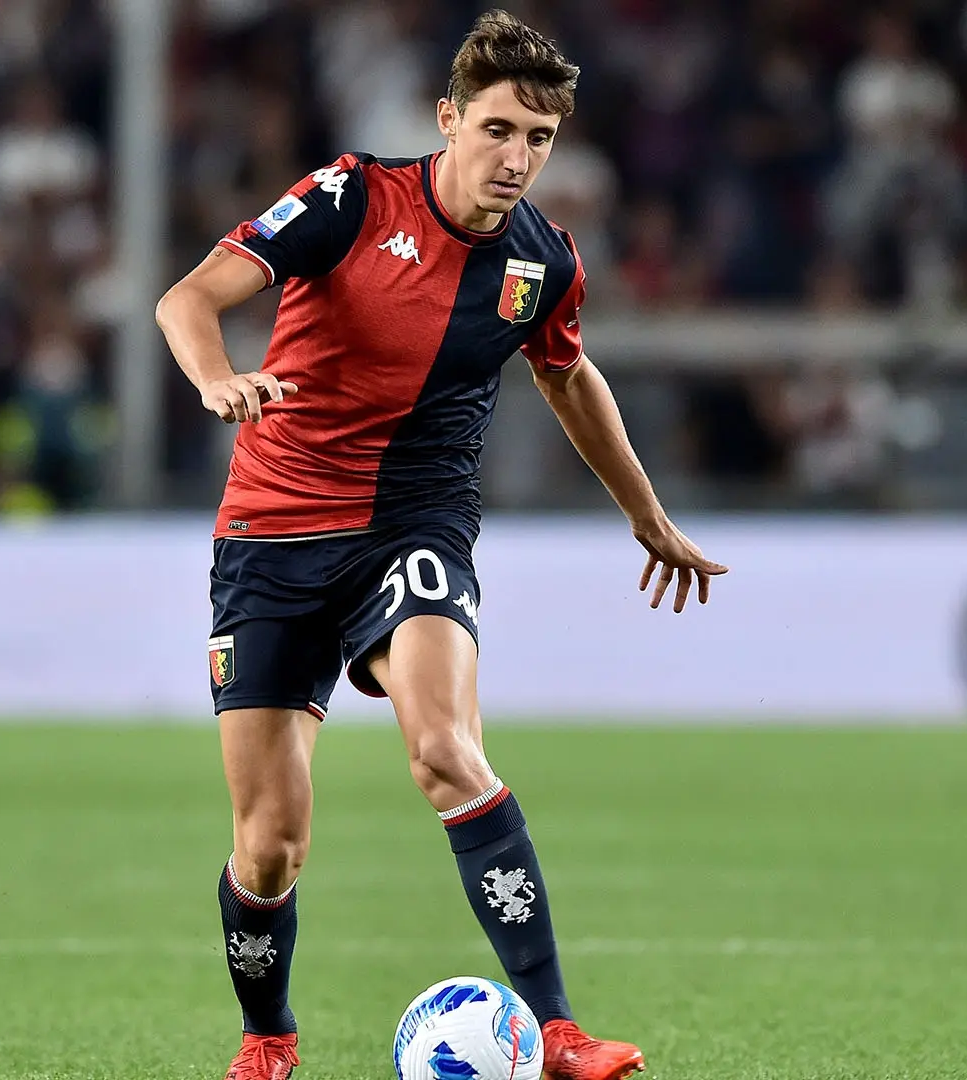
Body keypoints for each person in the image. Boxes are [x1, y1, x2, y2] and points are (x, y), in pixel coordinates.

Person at [154, 11, 724, 1079]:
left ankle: (558, 1032)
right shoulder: (351, 197)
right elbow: (188, 298)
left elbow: (568, 377)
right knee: (269, 843)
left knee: (446, 752)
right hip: (274, 533)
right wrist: (216, 378)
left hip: (413, 527)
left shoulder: (542, 261)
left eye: (540, 139)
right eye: (499, 129)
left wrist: (646, 515)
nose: (518, 158)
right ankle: (268, 1037)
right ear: (449, 119)